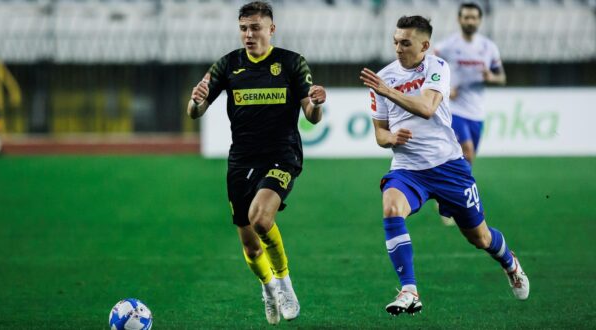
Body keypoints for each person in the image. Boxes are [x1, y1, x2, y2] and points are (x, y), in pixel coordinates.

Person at [359, 15, 528, 316]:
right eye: (395, 41)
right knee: (391, 206)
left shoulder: (437, 68)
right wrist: (391, 137)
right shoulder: (383, 78)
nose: (398, 48)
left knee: (480, 238)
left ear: (424, 45)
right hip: (408, 169)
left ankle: (510, 263)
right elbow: (380, 135)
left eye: (406, 42)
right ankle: (409, 290)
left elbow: (427, 108)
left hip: (449, 167)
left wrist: (387, 91)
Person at [186, 1, 326, 325]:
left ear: (271, 29)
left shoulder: (291, 63)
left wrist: (317, 104)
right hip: (241, 159)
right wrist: (195, 100)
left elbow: (312, 116)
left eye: (255, 28)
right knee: (250, 246)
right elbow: (196, 111)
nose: (248, 35)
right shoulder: (227, 65)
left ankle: (285, 282)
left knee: (261, 220)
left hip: (282, 153)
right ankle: (267, 288)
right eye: (244, 29)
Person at [433, 2, 506, 165]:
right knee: (467, 151)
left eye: (473, 18)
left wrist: (491, 78)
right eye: (466, 17)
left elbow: (502, 77)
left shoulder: (489, 48)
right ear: (459, 19)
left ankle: (457, 187)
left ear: (480, 20)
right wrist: (445, 89)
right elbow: (427, 67)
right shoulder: (447, 46)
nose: (470, 21)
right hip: (454, 110)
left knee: (467, 159)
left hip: (477, 112)